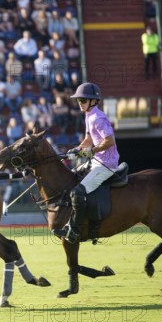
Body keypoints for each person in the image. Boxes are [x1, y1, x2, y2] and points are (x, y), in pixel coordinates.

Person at [53, 83, 120, 244]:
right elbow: (89, 139)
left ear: (93, 101)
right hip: (97, 160)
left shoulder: (98, 118)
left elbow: (109, 141)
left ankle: (74, 230)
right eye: (78, 101)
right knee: (72, 178)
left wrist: (92, 151)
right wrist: (76, 149)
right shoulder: (88, 115)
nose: (79, 103)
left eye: (82, 100)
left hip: (106, 164)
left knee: (77, 193)